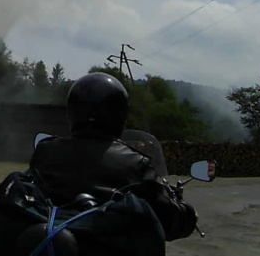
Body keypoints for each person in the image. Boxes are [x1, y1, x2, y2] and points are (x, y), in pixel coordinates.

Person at [29, 72, 198, 243]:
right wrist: (187, 212)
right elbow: (170, 220)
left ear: (72, 112)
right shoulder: (136, 164)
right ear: (119, 115)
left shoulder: (45, 153)